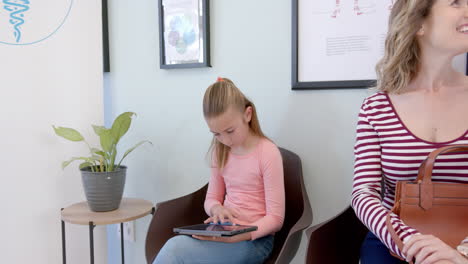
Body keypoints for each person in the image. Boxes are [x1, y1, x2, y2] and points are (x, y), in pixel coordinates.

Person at [352, 0, 468, 263]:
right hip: (395, 240)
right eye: (455, 3)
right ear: (419, 23)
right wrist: (411, 242)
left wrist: (461, 253)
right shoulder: (377, 107)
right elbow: (364, 193)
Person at [153, 77, 285, 264]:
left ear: (247, 115)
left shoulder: (268, 153)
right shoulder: (220, 151)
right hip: (224, 233)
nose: (225, 140)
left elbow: (276, 218)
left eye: (230, 131)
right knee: (175, 245)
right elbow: (212, 198)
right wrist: (217, 209)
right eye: (216, 134)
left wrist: (241, 235)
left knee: (176, 251)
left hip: (255, 241)